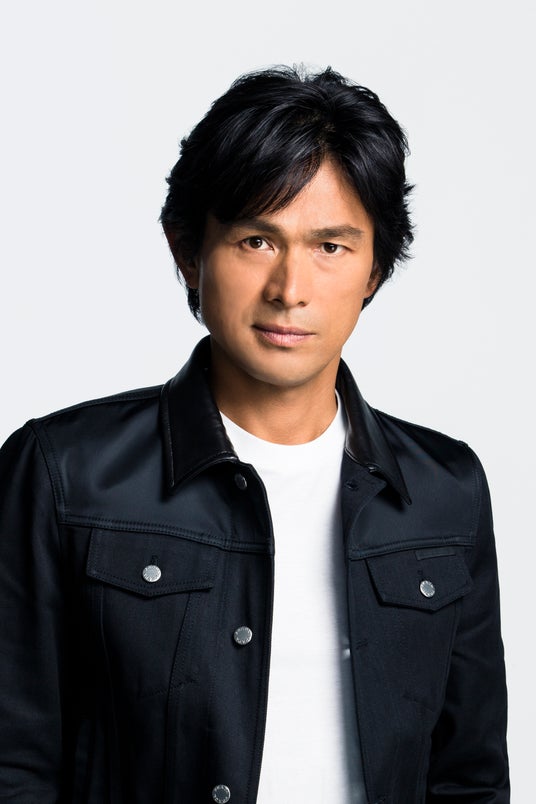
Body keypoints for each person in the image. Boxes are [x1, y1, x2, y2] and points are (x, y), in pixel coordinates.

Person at [0, 66, 509, 803]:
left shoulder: (445, 491)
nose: (290, 290)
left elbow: (470, 777)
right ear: (188, 252)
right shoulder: (62, 474)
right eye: (256, 241)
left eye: (331, 247)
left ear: (374, 269)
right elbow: (13, 764)